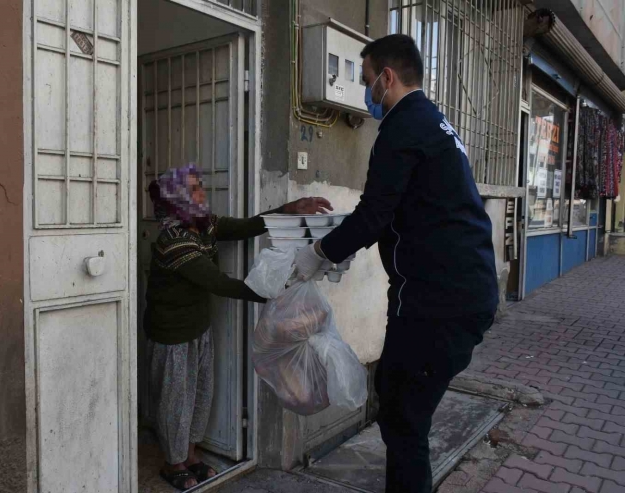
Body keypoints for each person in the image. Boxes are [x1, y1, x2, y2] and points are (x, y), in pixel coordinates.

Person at [294, 34, 498, 493]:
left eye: (366, 80)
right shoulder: (434, 123)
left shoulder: (403, 128)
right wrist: (347, 241)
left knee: (404, 421)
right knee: (395, 396)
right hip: (459, 295)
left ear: (387, 77)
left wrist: (319, 254)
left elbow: (375, 215)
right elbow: (400, 212)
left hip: (437, 303)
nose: (366, 93)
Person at [145, 163, 331, 491]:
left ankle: (189, 455)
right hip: (171, 334)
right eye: (193, 190)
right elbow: (218, 283)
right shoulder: (173, 241)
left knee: (201, 393)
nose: (202, 193)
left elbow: (246, 227)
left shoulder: (203, 226)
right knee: (175, 399)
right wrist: (278, 293)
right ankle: (172, 463)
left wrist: (288, 210)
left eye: (199, 186)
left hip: (199, 328)